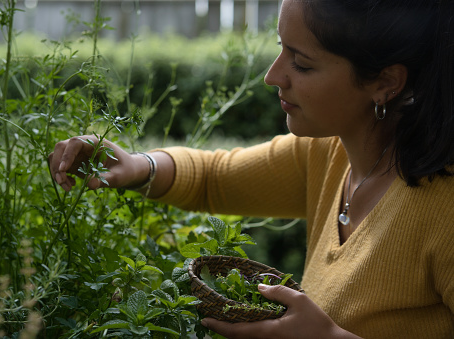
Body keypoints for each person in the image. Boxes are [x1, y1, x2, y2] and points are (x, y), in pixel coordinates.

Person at [49, 0, 454, 337]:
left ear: (386, 82)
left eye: (302, 64)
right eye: (281, 49)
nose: (272, 76)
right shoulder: (330, 153)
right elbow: (214, 176)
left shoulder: (444, 208)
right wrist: (139, 166)